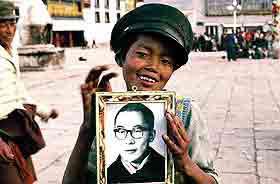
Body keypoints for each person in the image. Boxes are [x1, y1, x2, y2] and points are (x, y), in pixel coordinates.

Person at [63, 3, 219, 184]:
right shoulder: (106, 113)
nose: (153, 66)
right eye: (143, 54)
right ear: (121, 57)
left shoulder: (185, 113)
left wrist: (185, 163)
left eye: (166, 61)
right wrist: (88, 129)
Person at [0, 1, 58, 183]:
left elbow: (17, 89)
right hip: (2, 135)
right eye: (3, 25)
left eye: (12, 24)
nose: (10, 30)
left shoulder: (10, 51)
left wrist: (42, 110)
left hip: (16, 130)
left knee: (26, 178)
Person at [108, 103, 165, 183]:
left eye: (137, 131)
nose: (129, 141)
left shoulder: (166, 168)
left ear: (151, 135)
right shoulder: (107, 175)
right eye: (121, 131)